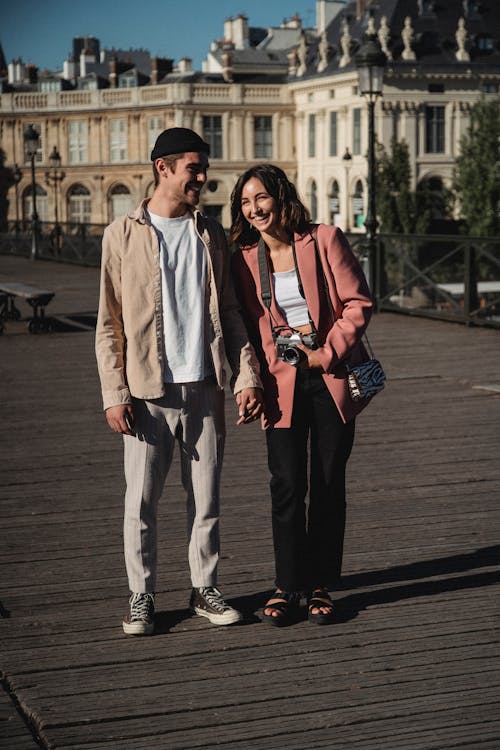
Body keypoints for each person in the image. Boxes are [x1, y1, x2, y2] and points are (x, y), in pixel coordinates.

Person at [95, 127, 263, 636]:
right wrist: (113, 393)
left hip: (205, 387)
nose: (203, 177)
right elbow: (109, 323)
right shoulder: (121, 234)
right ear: (163, 168)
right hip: (147, 392)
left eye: (203, 167)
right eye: (194, 167)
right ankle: (141, 595)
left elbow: (230, 313)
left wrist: (245, 376)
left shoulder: (211, 233)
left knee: (206, 499)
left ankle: (204, 587)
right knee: (141, 503)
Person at [230, 164, 373, 626]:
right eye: (246, 203)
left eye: (261, 199)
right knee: (287, 483)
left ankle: (319, 585)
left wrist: (324, 353)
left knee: (328, 483)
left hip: (330, 376)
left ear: (280, 196)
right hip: (281, 383)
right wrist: (249, 381)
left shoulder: (324, 238)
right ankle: (286, 584)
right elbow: (250, 330)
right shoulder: (245, 258)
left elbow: (358, 303)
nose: (254, 210)